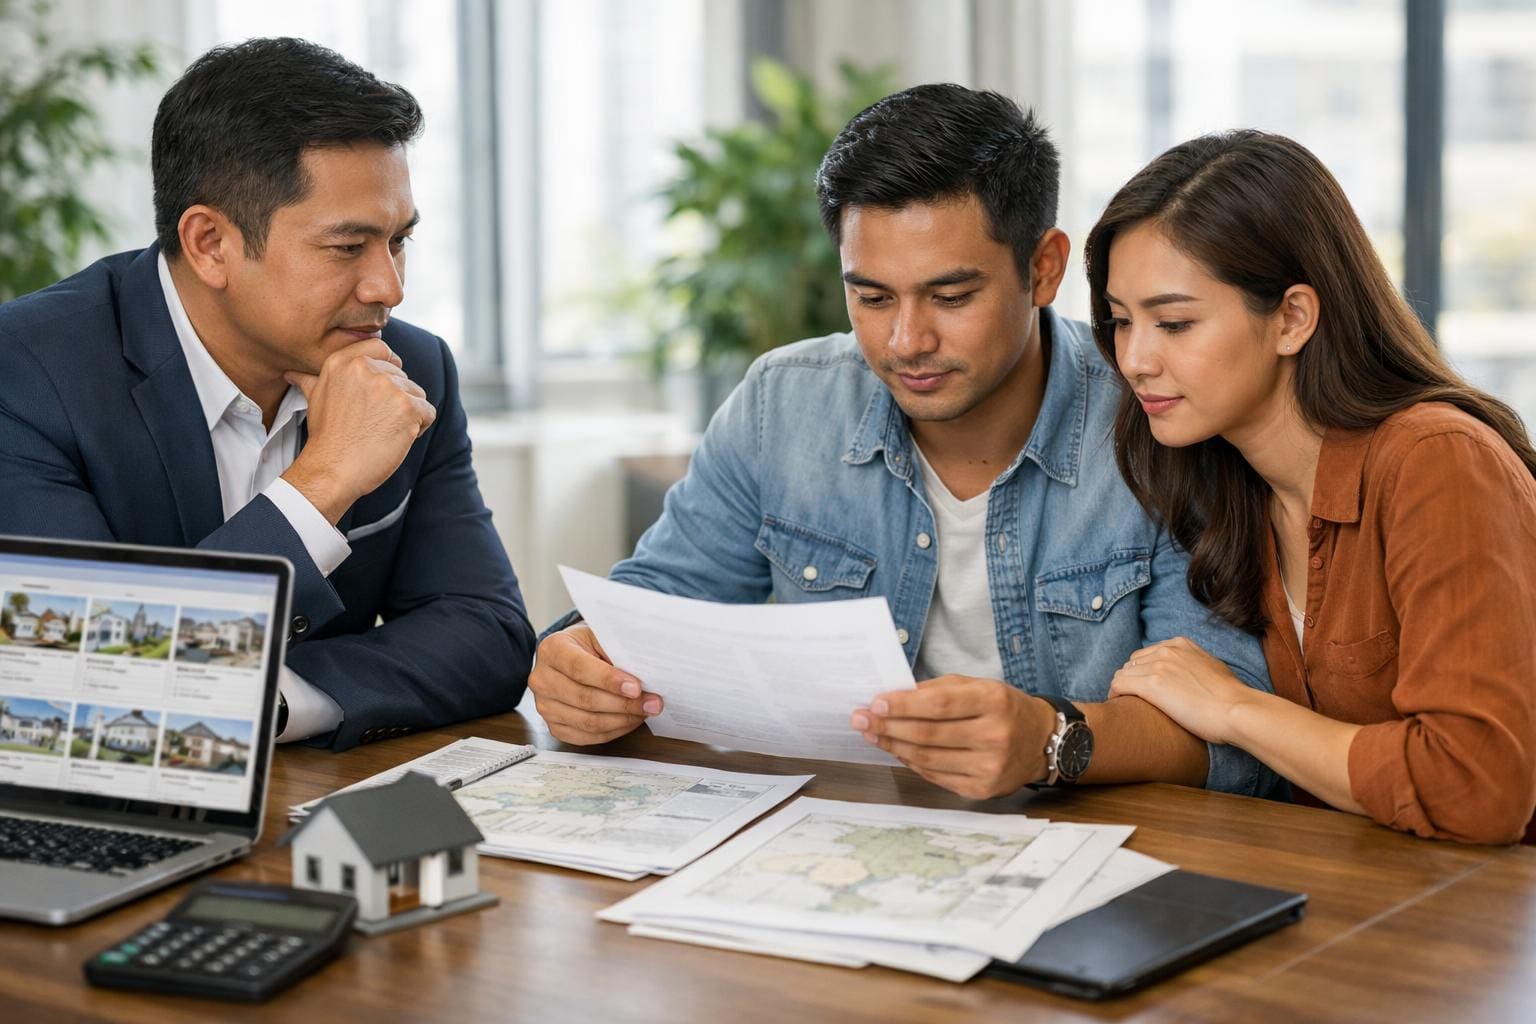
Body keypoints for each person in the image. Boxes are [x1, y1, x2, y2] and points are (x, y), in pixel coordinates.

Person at [530, 84, 1276, 800]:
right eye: (871, 296)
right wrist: (581, 662)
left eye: (952, 297)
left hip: (1096, 844)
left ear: (1043, 268)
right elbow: (656, 604)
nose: (906, 340)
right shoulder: (781, 403)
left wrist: (1050, 740)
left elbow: (1225, 733)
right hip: (846, 830)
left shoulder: (1160, 417)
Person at [0, 38, 535, 750]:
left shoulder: (411, 368)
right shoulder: (29, 372)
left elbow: (489, 634)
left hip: (310, 798)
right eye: (348, 247)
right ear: (210, 244)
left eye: (398, 240)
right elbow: (88, 680)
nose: (389, 288)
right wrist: (323, 482)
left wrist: (270, 702)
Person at [1089, 130, 1536, 843]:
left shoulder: (1438, 462)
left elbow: (1476, 790)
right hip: (1358, 905)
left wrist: (1235, 708)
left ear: (1292, 318)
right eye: (1119, 321)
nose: (1135, 359)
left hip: (1488, 930)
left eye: (1174, 322)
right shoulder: (1234, 491)